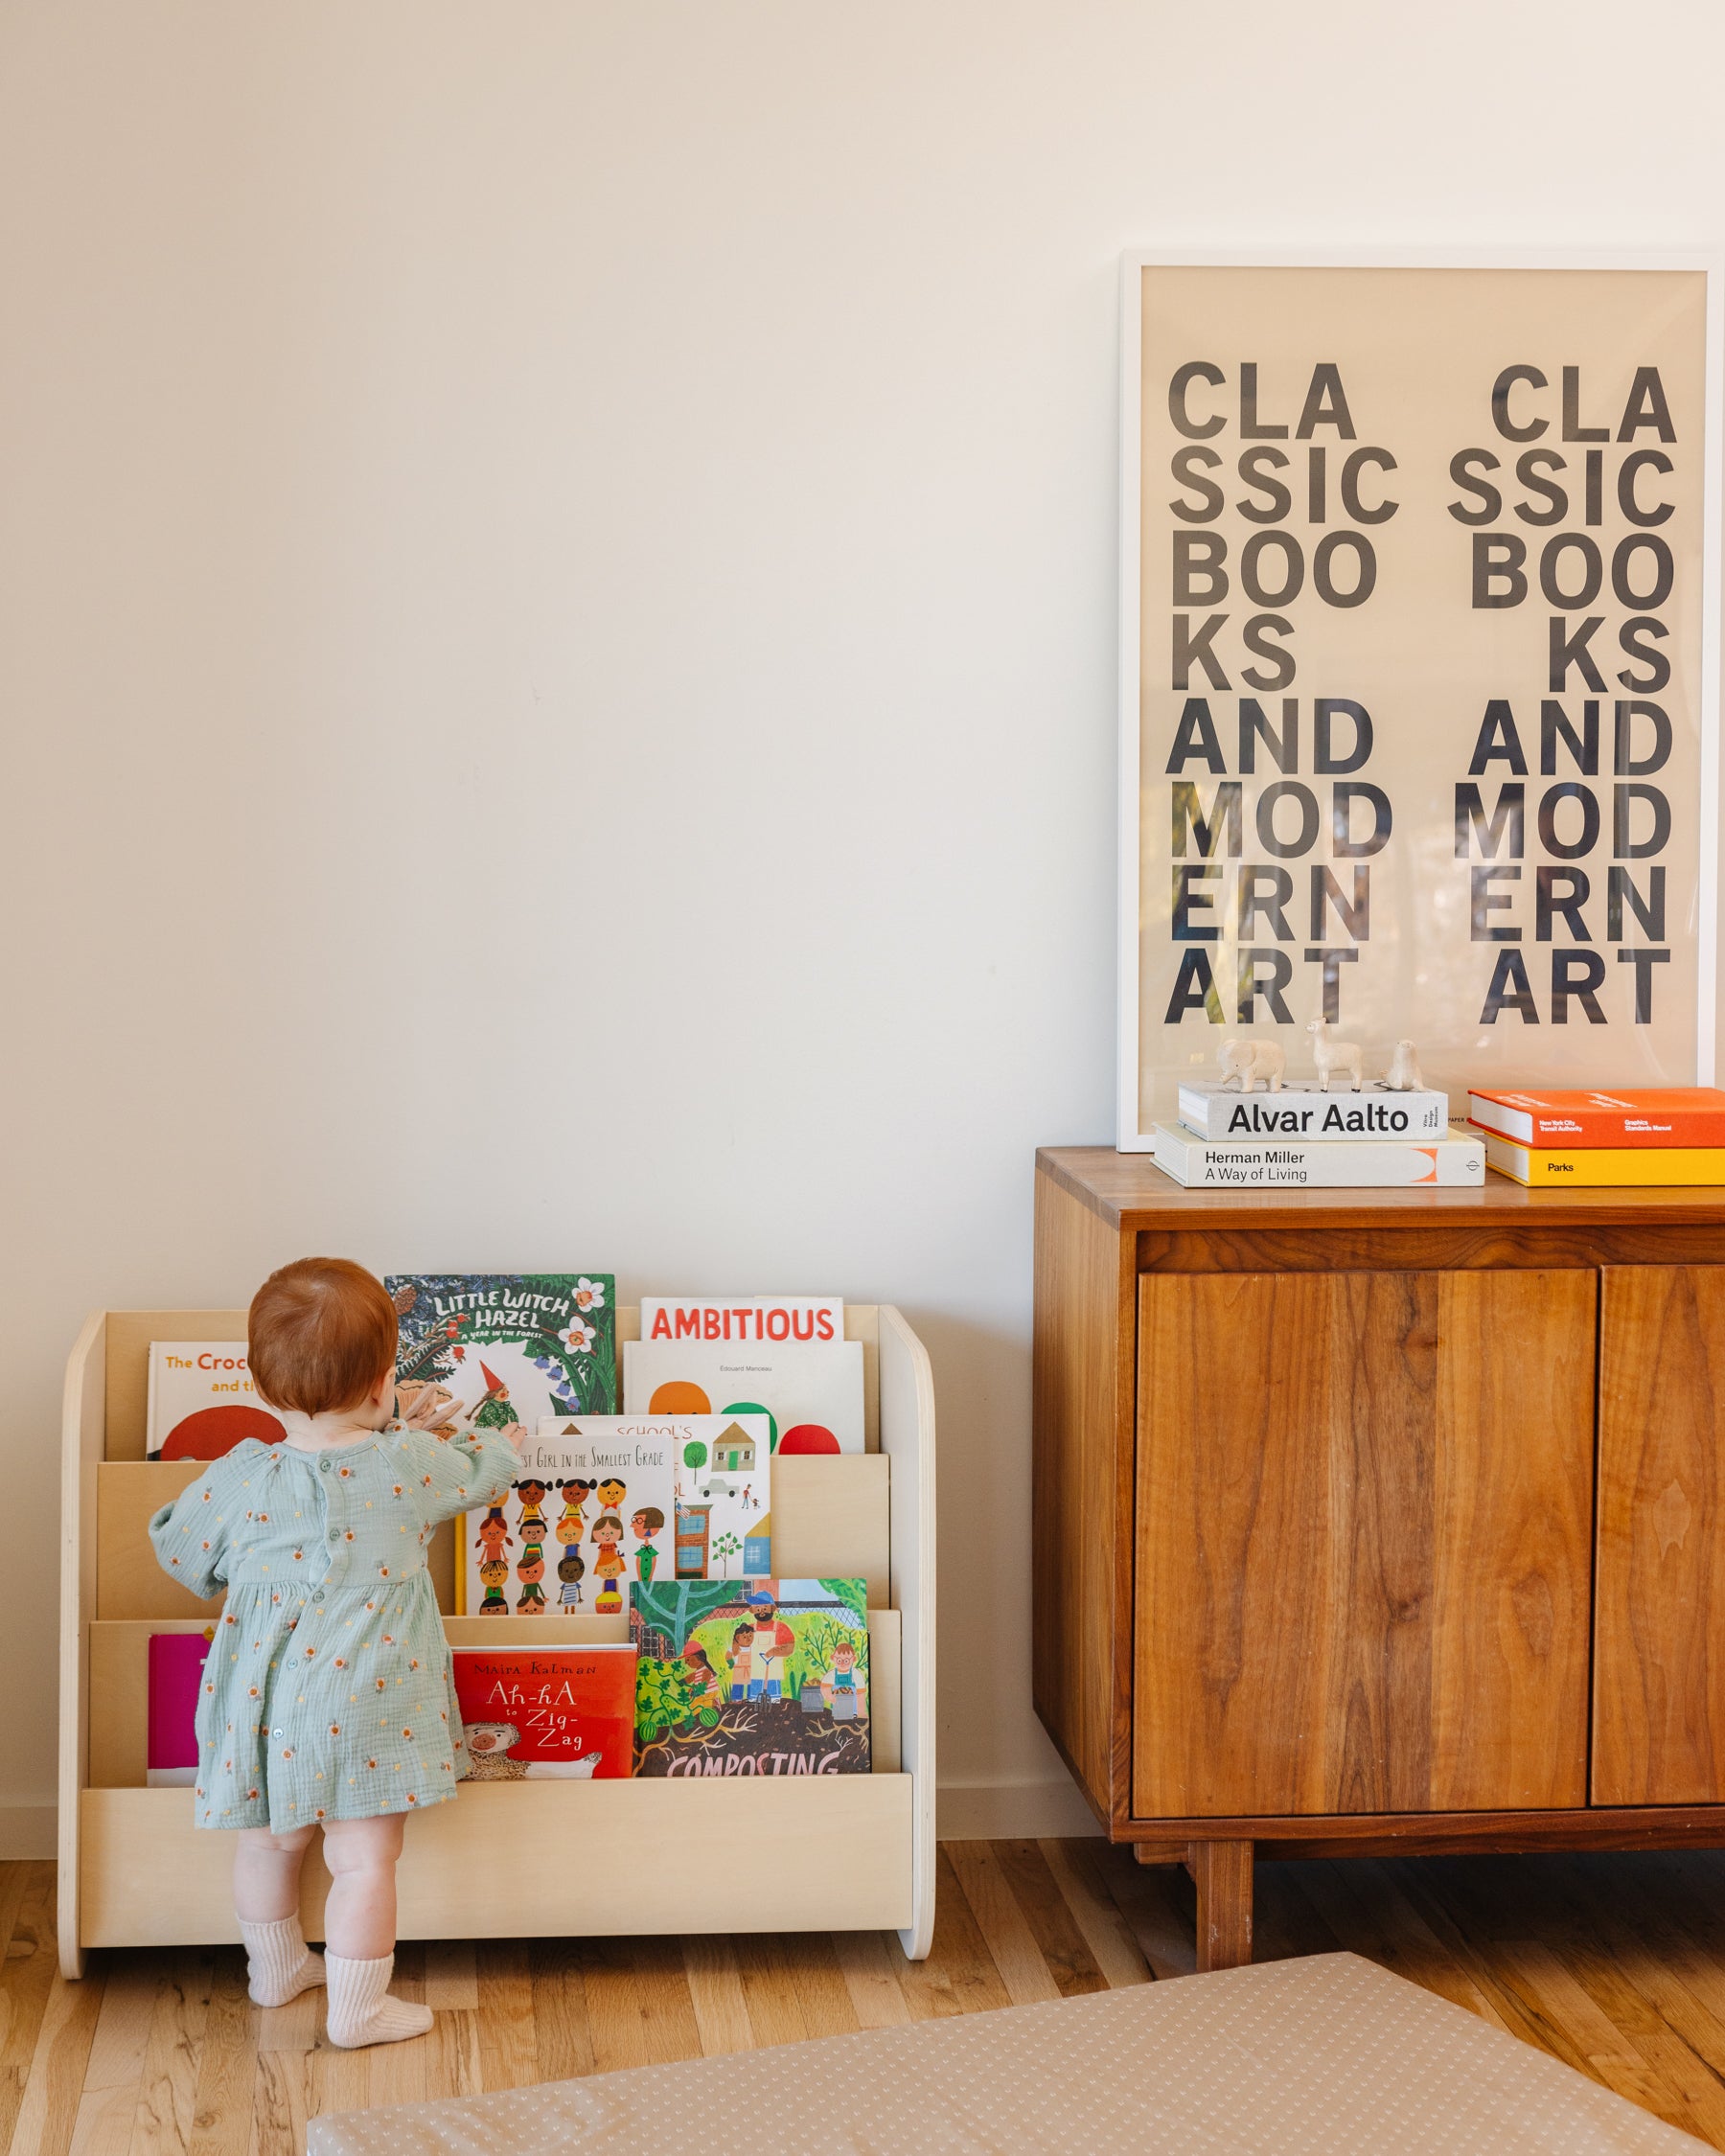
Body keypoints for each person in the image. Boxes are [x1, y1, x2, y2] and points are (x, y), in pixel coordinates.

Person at [149, 1258, 518, 2050]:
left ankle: (275, 1968)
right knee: (364, 1861)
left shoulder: (243, 1476)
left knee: (269, 1838)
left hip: (263, 1697)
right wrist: (500, 1440)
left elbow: (181, 1553)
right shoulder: (406, 1461)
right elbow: (484, 1474)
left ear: (256, 1381)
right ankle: (358, 2008)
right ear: (386, 1381)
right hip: (373, 1699)